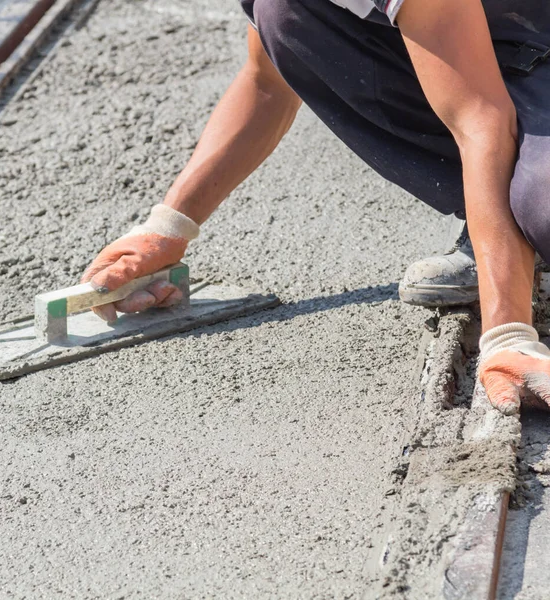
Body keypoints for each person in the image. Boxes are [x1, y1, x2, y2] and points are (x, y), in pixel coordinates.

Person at [81, 0, 550, 415]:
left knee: (544, 212)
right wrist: (166, 229)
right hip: (498, 48)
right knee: (282, 12)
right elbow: (267, 84)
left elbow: (480, 117)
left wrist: (507, 334)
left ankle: (516, 236)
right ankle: (503, 232)